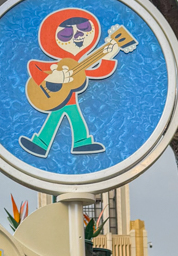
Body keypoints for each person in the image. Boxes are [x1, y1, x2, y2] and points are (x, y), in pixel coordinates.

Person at [19, 10, 122, 157]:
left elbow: (98, 72)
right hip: (58, 97)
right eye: (66, 34)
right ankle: (76, 142)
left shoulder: (80, 65)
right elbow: (34, 66)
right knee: (70, 117)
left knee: (62, 116)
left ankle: (43, 143)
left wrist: (109, 56)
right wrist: (52, 78)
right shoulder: (62, 64)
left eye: (84, 28)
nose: (78, 35)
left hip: (65, 98)